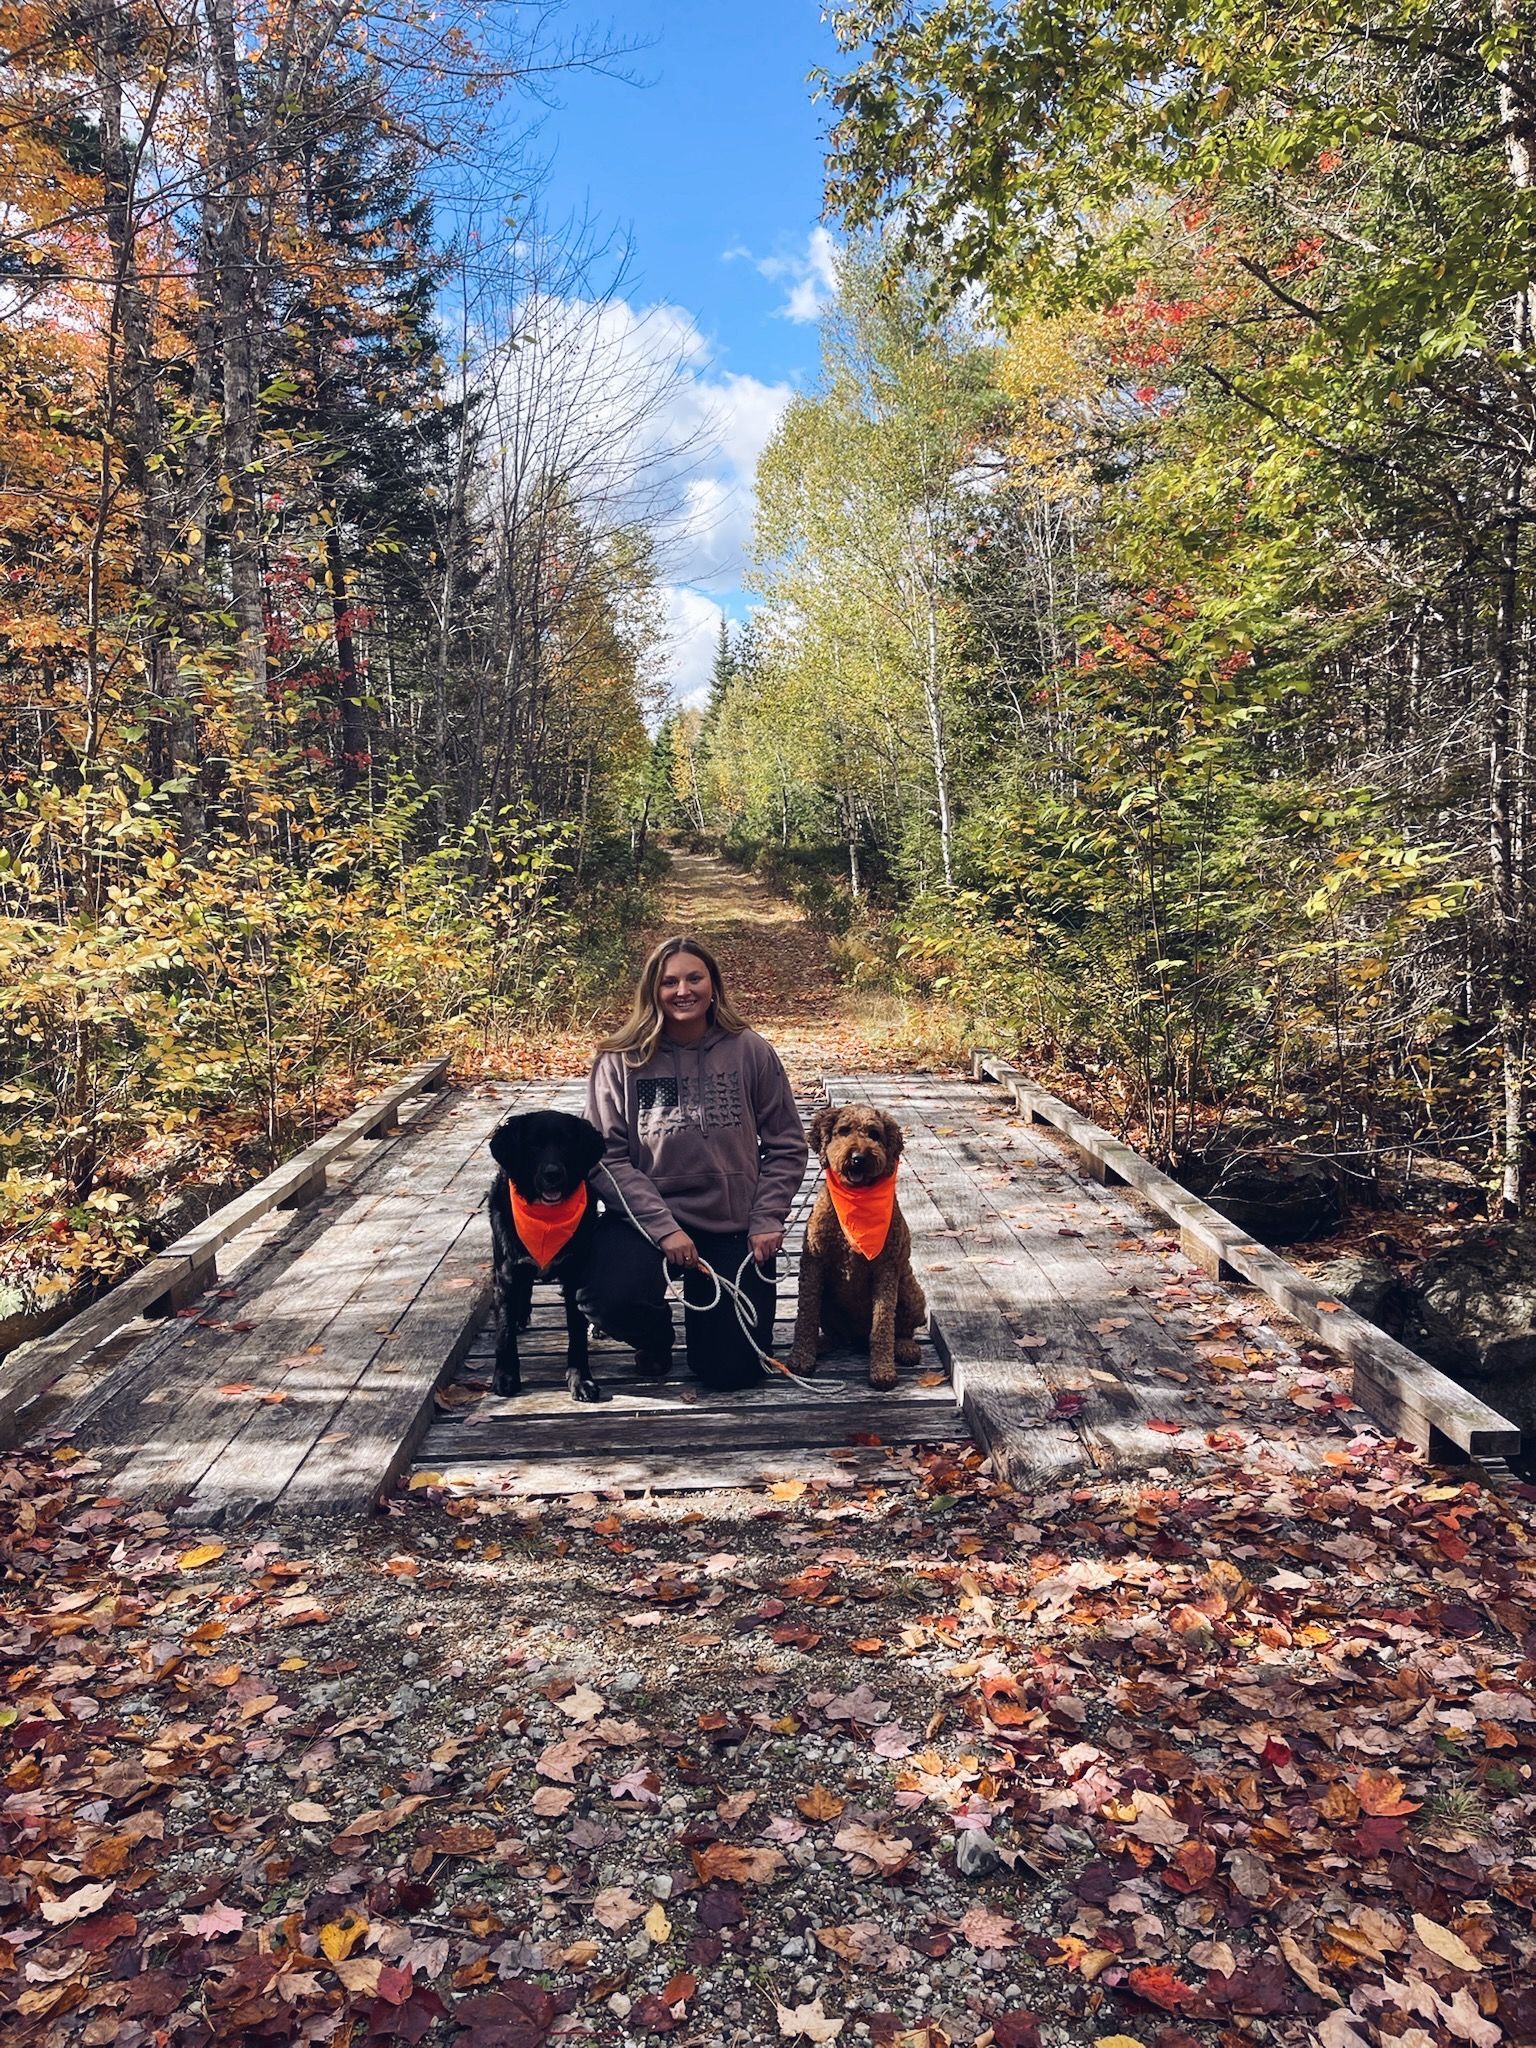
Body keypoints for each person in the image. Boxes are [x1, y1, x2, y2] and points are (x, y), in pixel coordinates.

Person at [582, 933, 809, 1390]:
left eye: (694, 978)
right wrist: (664, 1227)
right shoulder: (620, 1060)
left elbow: (786, 1144)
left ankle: (716, 1334)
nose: (682, 991)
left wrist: (767, 1218)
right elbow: (604, 1157)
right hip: (645, 1221)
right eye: (669, 982)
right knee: (604, 1296)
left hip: (733, 1223)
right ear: (652, 990)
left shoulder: (750, 1050)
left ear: (713, 985)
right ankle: (656, 1336)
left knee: (732, 1373)